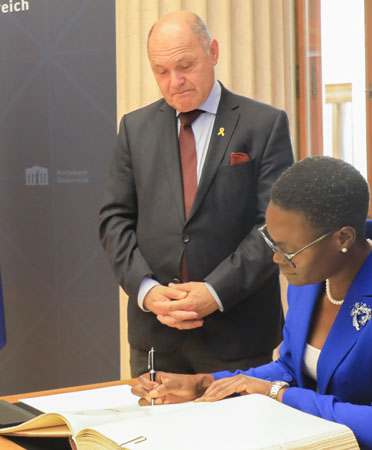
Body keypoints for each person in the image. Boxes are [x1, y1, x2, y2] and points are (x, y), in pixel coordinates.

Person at [132, 156, 372, 450]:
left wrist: (275, 394)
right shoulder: (310, 275)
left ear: (343, 239)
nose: (275, 257)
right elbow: (290, 367)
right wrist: (205, 384)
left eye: (287, 249)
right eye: (272, 241)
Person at [99, 10, 294, 376]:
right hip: (156, 333)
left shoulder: (264, 125)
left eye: (185, 65)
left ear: (213, 52)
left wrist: (215, 292)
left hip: (237, 334)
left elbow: (273, 227)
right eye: (161, 71)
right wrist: (146, 290)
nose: (175, 82)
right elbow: (114, 219)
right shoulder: (134, 128)